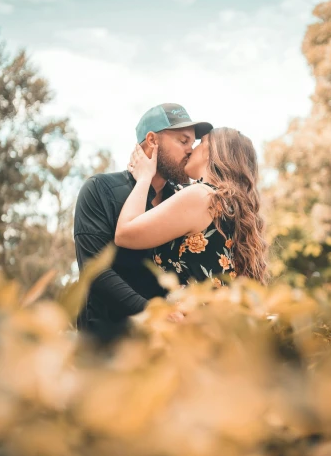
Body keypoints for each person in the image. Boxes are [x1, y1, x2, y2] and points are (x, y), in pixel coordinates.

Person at [73, 103, 212, 342]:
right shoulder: (100, 190)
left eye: (193, 143)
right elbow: (96, 273)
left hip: (165, 349)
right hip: (106, 347)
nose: (191, 150)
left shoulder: (185, 200)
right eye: (183, 141)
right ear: (152, 141)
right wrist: (154, 313)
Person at [115, 127, 268, 303]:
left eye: (200, 142)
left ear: (212, 152)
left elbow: (125, 234)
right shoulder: (228, 205)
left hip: (196, 323)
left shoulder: (201, 196)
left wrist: (144, 178)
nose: (191, 149)